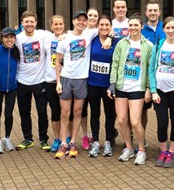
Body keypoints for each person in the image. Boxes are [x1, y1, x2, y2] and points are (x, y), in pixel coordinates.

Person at [55, 11, 111, 159]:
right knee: (65, 112)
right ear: (73, 21)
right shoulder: (65, 39)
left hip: (82, 79)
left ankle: (73, 141)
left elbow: (107, 28)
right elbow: (57, 61)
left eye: (84, 20)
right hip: (66, 78)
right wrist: (58, 81)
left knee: (78, 111)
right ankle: (63, 142)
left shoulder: (89, 34)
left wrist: (110, 38)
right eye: (78, 20)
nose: (81, 22)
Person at [107, 14, 153, 165]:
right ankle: (129, 147)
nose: (133, 28)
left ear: (141, 27)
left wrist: (148, 89)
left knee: (135, 122)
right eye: (130, 25)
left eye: (136, 25)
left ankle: (141, 150)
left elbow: (150, 68)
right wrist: (112, 84)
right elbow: (115, 64)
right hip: (121, 86)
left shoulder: (148, 46)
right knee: (121, 120)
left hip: (137, 88)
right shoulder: (121, 44)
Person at [149, 17, 174, 168]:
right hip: (160, 91)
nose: (171, 31)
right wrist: (153, 91)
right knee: (162, 122)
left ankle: (171, 152)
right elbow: (151, 69)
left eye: (173, 28)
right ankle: (163, 151)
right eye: (168, 28)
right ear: (163, 29)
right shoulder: (158, 45)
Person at [15, 11, 50, 151]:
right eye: (26, 21)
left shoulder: (43, 35)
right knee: (24, 112)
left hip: (40, 81)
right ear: (22, 23)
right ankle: (28, 138)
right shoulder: (17, 38)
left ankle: (43, 139)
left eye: (31, 21)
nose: (29, 24)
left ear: (36, 23)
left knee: (42, 111)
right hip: (22, 81)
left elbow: (59, 35)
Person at [88, 14, 119, 157]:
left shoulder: (116, 42)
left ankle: (108, 142)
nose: (104, 27)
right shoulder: (92, 40)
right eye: (102, 25)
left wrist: (111, 38)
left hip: (108, 85)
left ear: (110, 27)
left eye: (107, 25)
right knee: (95, 113)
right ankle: (95, 142)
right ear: (98, 26)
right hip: (93, 83)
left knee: (109, 114)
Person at [140, 0, 166, 149]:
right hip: (144, 75)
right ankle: (141, 138)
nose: (153, 13)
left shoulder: (166, 28)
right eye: (150, 10)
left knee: (163, 112)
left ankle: (166, 141)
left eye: (155, 10)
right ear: (146, 13)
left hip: (163, 76)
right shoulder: (141, 29)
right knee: (143, 109)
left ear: (159, 12)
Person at [0, 27, 20, 154]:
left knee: (8, 114)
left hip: (12, 88)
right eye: (6, 37)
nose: (9, 39)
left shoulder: (17, 51)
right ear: (2, 38)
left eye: (12, 37)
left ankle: (7, 138)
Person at [44, 15, 66, 152]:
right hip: (50, 80)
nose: (58, 26)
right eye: (55, 24)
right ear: (51, 26)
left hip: (66, 80)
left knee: (66, 111)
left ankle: (68, 138)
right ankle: (57, 139)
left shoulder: (69, 37)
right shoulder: (46, 39)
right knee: (55, 111)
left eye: (60, 24)